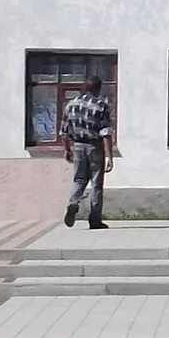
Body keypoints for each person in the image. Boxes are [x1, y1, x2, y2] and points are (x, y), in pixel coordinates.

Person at [58, 80, 113, 229]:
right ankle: (95, 220)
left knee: (79, 179)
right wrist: (109, 156)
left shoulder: (71, 105)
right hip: (94, 147)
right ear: (98, 89)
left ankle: (72, 203)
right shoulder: (101, 105)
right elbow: (105, 133)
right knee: (96, 184)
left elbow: (64, 131)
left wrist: (67, 149)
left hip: (77, 146)